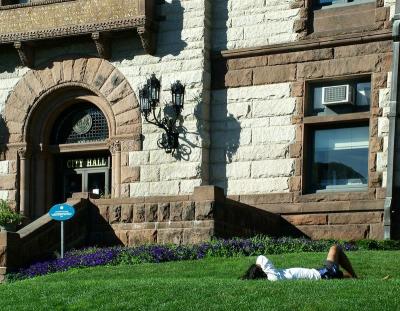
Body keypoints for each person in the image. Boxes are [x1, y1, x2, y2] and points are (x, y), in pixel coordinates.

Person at [241, 244, 357, 281]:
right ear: (261, 269)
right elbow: (261, 257)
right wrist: (257, 264)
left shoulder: (273, 276)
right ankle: (355, 277)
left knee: (340, 276)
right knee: (335, 248)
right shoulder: (273, 276)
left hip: (318, 273)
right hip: (322, 274)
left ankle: (354, 278)